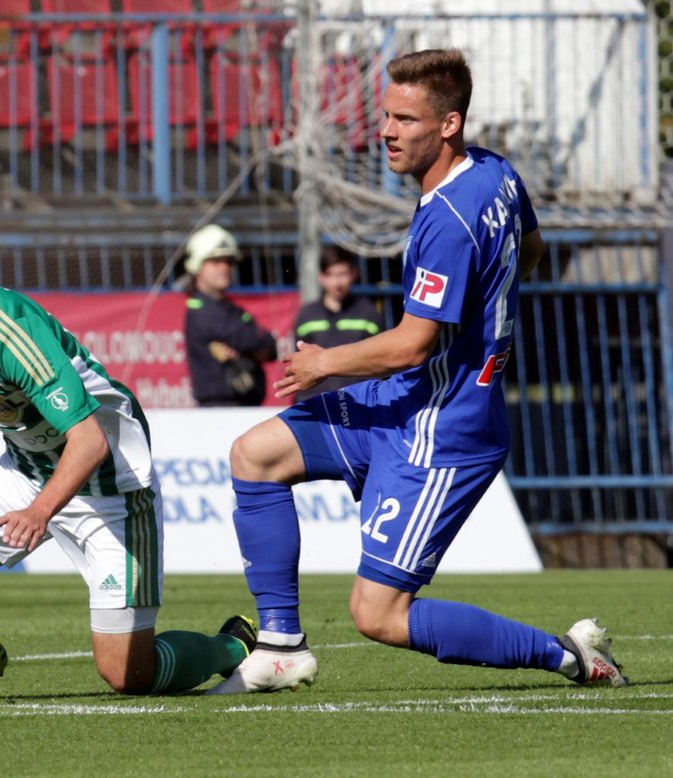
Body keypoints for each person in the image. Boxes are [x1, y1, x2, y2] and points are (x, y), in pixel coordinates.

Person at [209, 49, 627, 695]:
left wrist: (324, 362)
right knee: (256, 453)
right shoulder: (496, 172)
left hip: (442, 430)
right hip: (406, 399)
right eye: (385, 115)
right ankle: (281, 644)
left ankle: (569, 657)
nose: (386, 131)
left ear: (449, 123)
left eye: (405, 118)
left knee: (377, 616)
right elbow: (533, 250)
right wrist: (493, 313)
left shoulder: (447, 221)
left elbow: (411, 343)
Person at [0, 194, 256, 701]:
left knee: (128, 675)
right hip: (26, 473)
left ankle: (232, 648)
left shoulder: (12, 334)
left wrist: (40, 512)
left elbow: (90, 441)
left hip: (112, 489)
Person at [183, 224, 278, 407]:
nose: (224, 268)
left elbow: (270, 348)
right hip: (220, 408)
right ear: (197, 266)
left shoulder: (231, 310)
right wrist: (255, 350)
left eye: (228, 261)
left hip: (244, 406)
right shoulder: (201, 309)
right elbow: (250, 340)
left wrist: (255, 348)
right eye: (215, 261)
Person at [292, 245, 385, 402]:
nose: (337, 282)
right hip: (315, 403)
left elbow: (381, 360)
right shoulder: (307, 315)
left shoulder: (369, 313)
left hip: (359, 402)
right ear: (321, 277)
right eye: (331, 275)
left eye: (342, 274)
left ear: (354, 273)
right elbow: (299, 364)